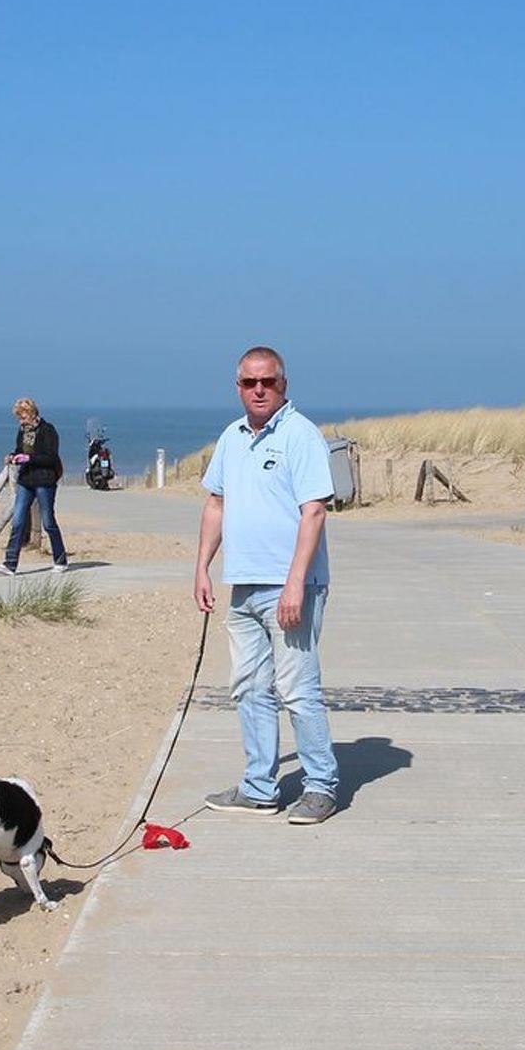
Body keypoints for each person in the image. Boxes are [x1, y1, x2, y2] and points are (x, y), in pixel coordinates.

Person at [193, 345, 339, 824]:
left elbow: (313, 512)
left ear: (283, 385)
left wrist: (296, 583)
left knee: (297, 688)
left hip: (291, 585)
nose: (259, 390)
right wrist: (202, 567)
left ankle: (320, 786)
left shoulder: (301, 435)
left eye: (268, 382)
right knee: (249, 688)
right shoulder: (232, 437)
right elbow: (216, 504)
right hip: (243, 584)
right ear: (237, 387)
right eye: (249, 382)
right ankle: (259, 788)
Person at [0, 397, 69, 575]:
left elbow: (51, 457)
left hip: (44, 481)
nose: (21, 421)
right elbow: (19, 450)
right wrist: (13, 456)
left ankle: (60, 560)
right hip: (26, 480)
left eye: (23, 417)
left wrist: (29, 458)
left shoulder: (48, 430)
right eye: (19, 418)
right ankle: (10, 563)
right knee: (18, 521)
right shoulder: (22, 431)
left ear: (32, 413)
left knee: (48, 522)